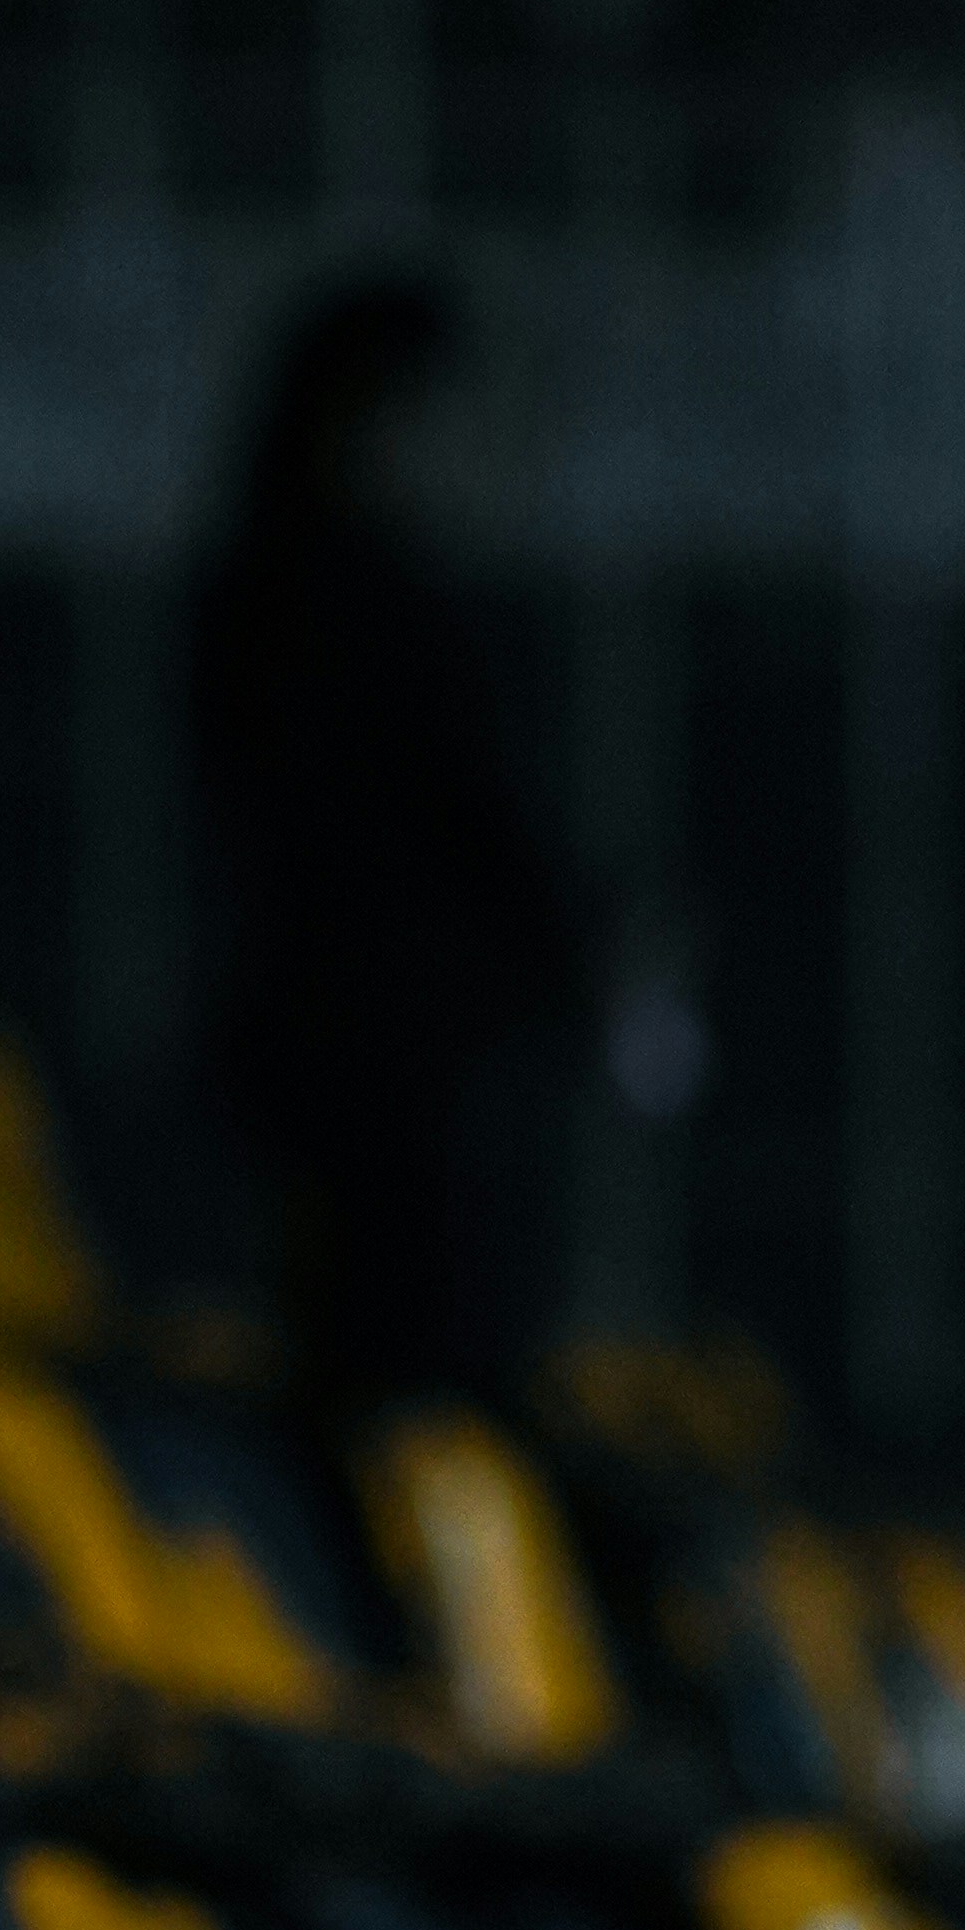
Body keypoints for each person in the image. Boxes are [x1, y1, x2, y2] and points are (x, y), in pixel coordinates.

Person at [182, 258, 591, 1412]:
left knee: (378, 1343)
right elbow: (458, 807)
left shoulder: (278, 586)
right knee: (403, 1352)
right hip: (384, 1043)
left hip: (354, 1031)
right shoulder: (350, 596)